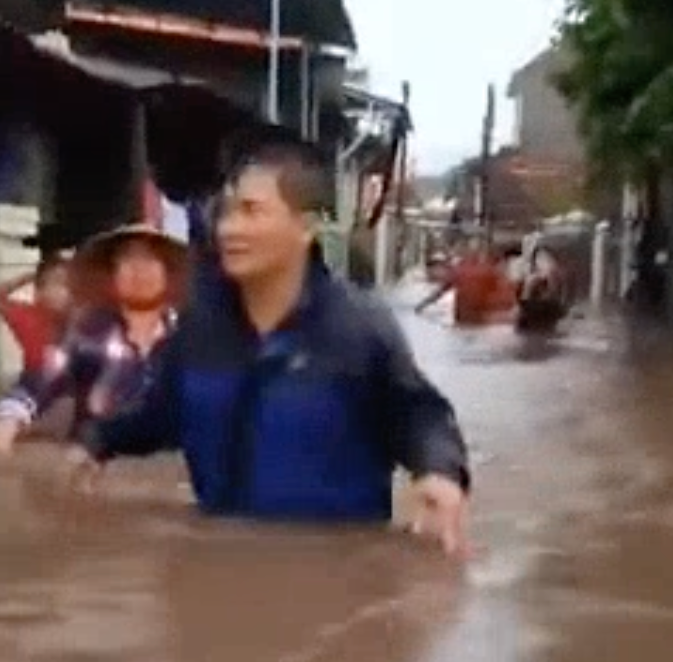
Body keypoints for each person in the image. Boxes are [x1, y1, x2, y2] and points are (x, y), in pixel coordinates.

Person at [68, 142, 471, 555]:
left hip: (333, 582)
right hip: (212, 573)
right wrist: (96, 441)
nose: (228, 228)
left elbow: (419, 414)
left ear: (306, 226)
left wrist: (439, 471)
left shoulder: (358, 327)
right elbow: (158, 414)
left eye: (251, 211)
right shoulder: (199, 329)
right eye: (225, 211)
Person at [0, 222, 186, 457]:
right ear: (111, 276)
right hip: (90, 466)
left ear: (168, 274)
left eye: (151, 260)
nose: (139, 270)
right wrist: (5, 429)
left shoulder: (191, 341)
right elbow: (38, 384)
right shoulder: (84, 339)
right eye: (128, 260)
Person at [0, 253, 72, 374]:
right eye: (58, 282)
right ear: (40, 292)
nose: (66, 291)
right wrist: (25, 278)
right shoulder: (26, 314)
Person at [415, 238, 516, 326]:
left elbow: (439, 293)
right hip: (481, 319)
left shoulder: (459, 270)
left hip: (463, 318)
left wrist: (421, 306)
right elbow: (506, 298)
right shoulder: (490, 271)